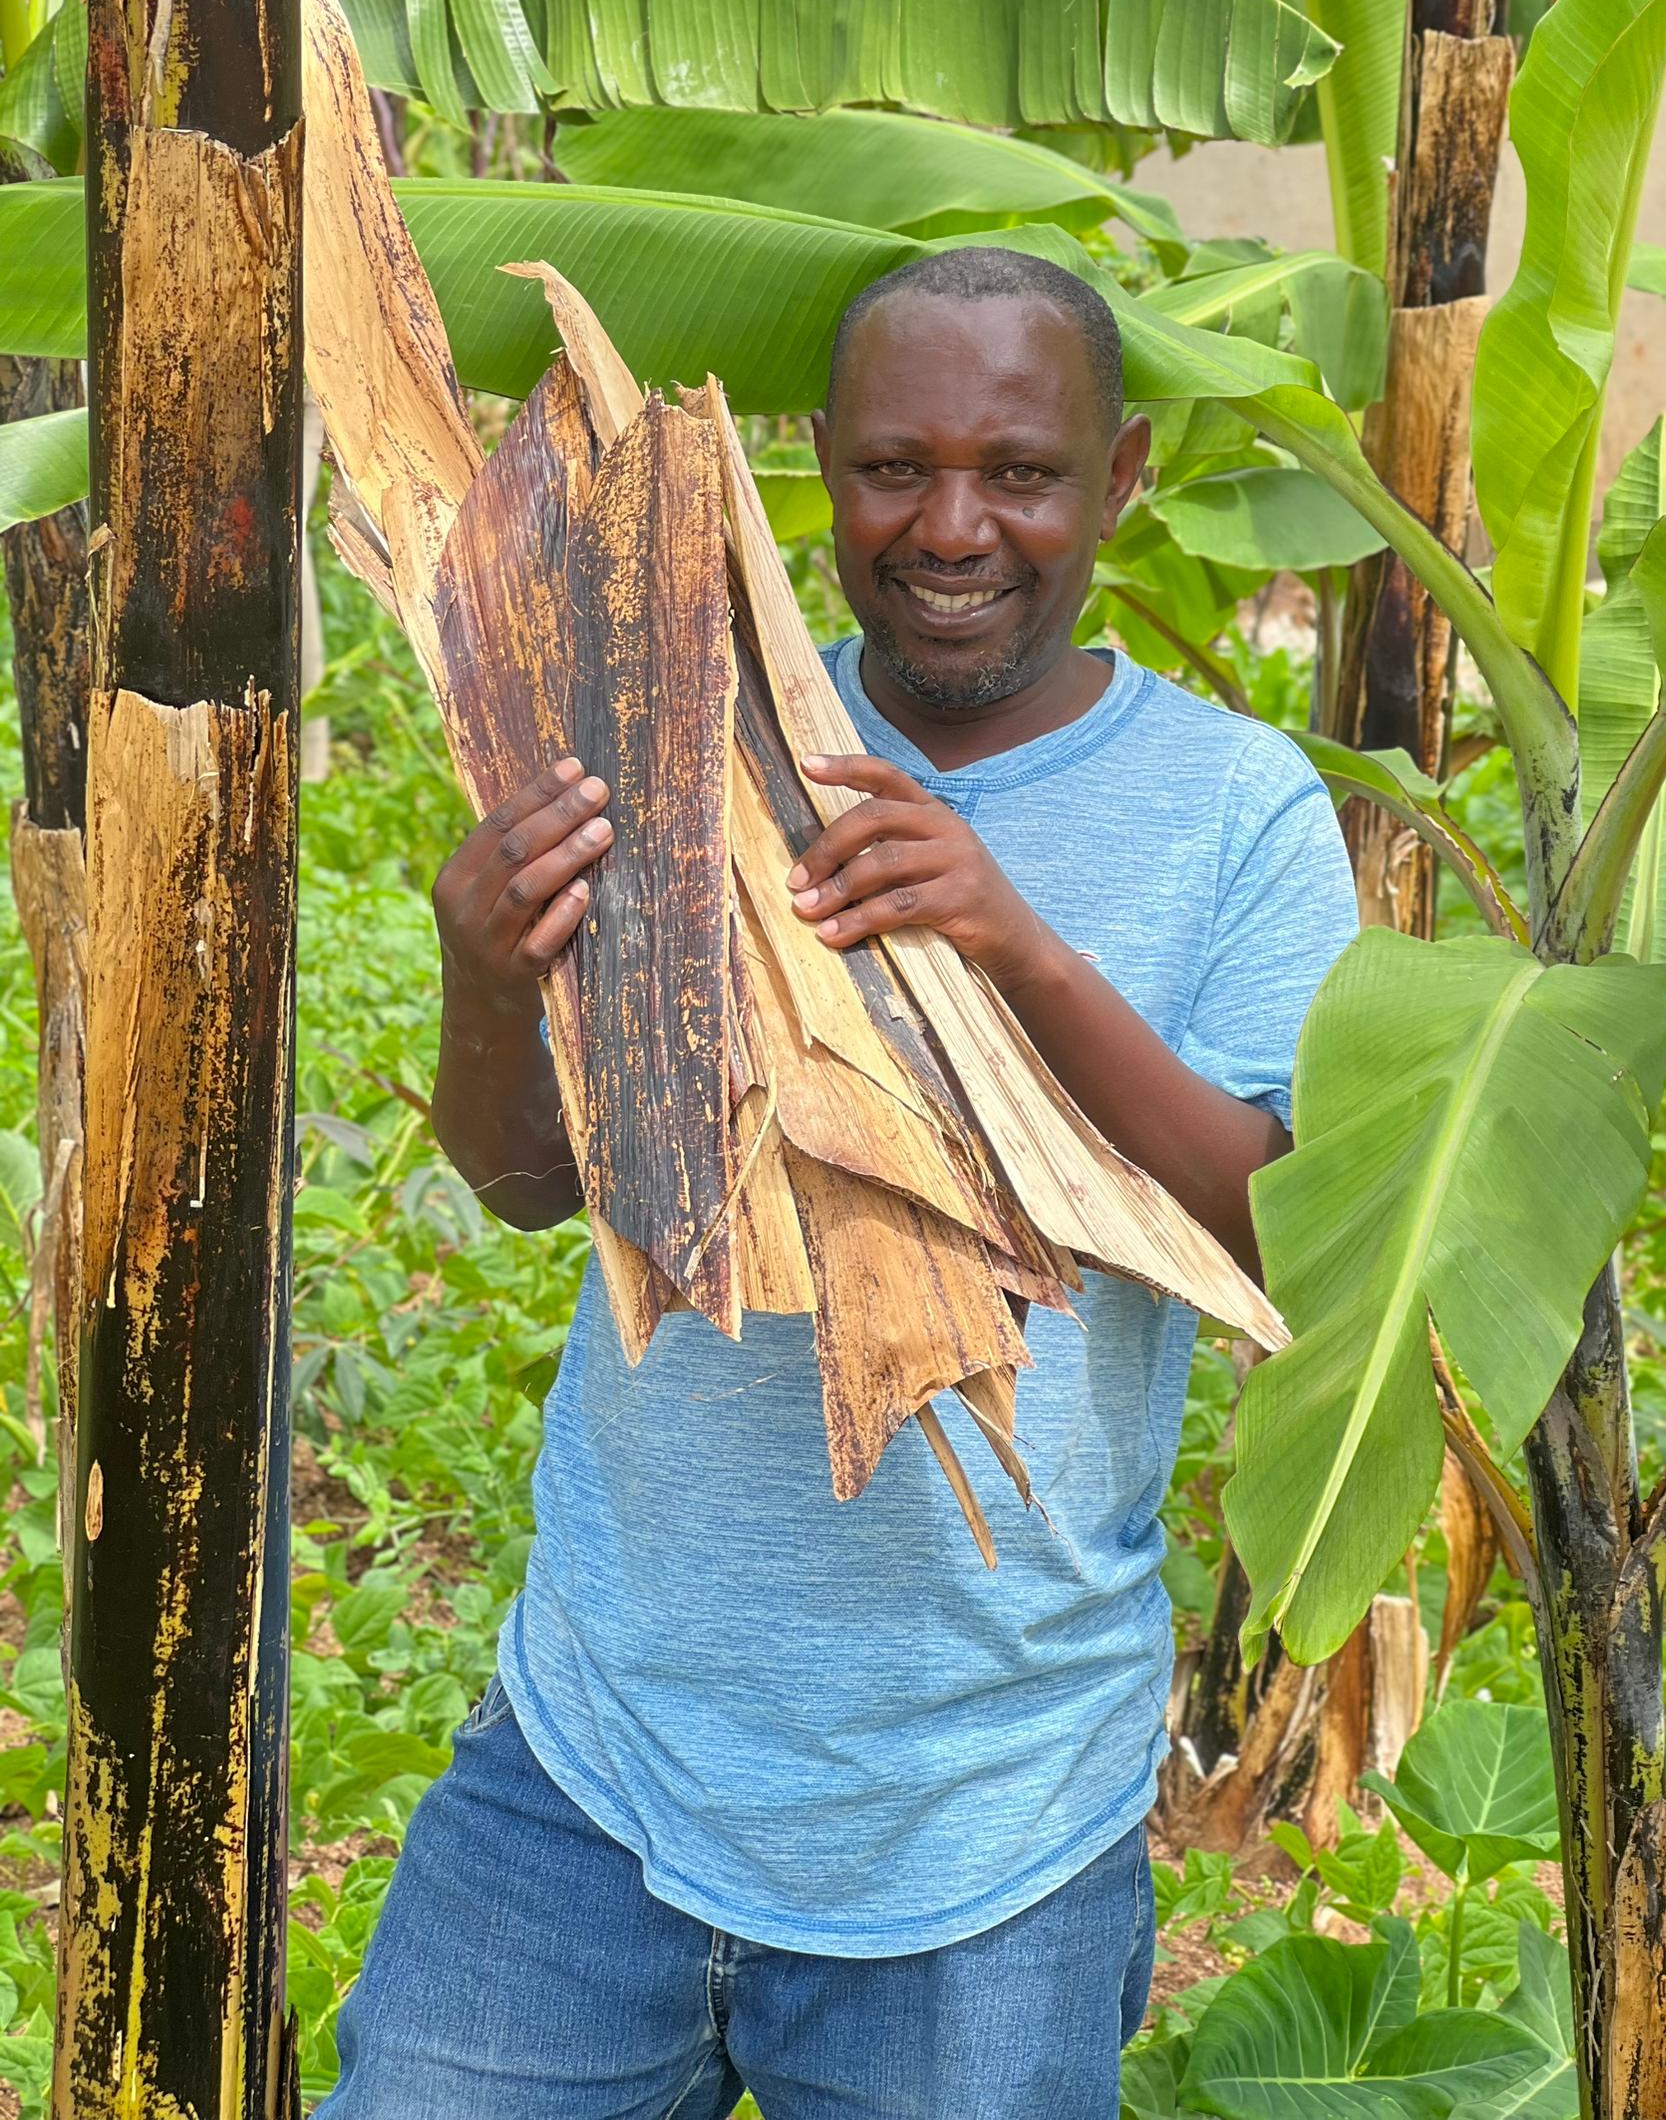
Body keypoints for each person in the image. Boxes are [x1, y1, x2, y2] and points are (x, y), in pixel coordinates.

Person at [321, 249, 1358, 2120]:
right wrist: (490, 971)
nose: (953, 525)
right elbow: (534, 1186)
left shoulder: (1235, 808)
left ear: (1121, 476)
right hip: (601, 1758)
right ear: (815, 463)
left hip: (982, 1820)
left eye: (1021, 473)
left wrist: (1016, 949)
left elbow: (1286, 1230)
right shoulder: (677, 733)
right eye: (894, 467)